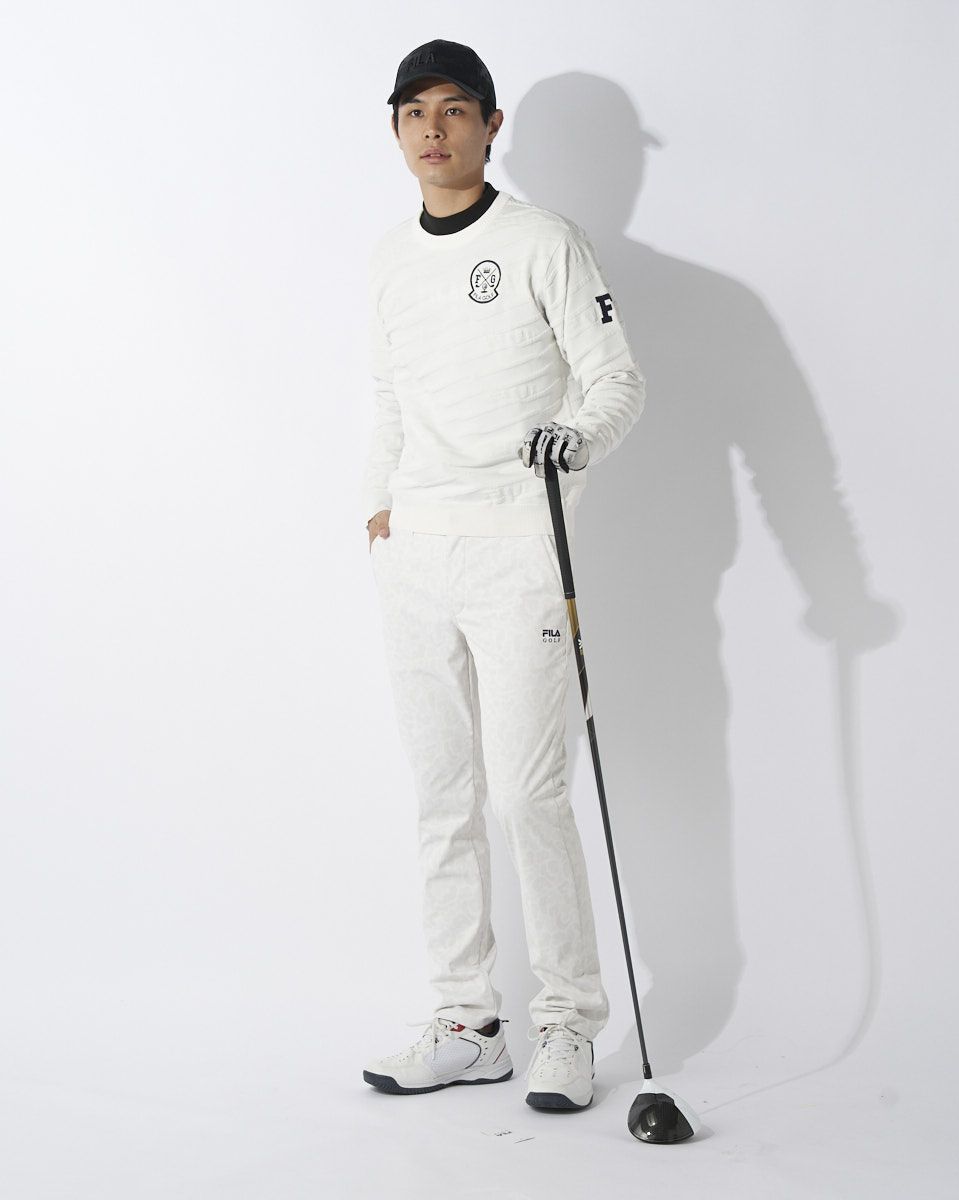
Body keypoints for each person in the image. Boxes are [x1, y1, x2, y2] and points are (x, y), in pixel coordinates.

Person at [361, 39, 645, 1112]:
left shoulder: (542, 242)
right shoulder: (389, 258)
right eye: (414, 113)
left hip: (520, 546)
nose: (433, 130)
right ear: (397, 131)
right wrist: (379, 505)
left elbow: (615, 379)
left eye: (454, 109)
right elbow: (388, 397)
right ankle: (468, 1023)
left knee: (527, 793)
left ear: (490, 124)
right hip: (416, 555)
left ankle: (568, 1022)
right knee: (443, 794)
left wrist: (576, 438)